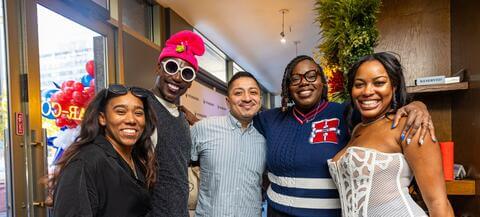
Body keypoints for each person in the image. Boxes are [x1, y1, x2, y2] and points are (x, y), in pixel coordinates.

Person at [253, 55, 436, 216]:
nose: (304, 82)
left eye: (311, 76)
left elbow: (384, 113)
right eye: (295, 79)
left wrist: (418, 105)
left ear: (322, 82)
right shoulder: (270, 118)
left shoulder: (348, 113)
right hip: (277, 212)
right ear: (287, 86)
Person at [328, 52, 453, 216]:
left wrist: (419, 105)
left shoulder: (410, 125)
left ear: (393, 87)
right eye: (359, 84)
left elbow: (438, 203)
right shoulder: (358, 128)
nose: (367, 91)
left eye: (379, 83)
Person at [50, 84, 156, 217]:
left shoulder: (138, 161)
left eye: (139, 113)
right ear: (102, 118)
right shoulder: (85, 162)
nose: (131, 120)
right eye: (120, 112)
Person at [190, 71, 266, 217]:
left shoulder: (266, 139)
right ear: (227, 101)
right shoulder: (203, 128)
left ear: (260, 100)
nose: (247, 98)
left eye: (253, 92)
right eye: (238, 93)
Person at [148, 30, 205, 217]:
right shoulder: (141, 106)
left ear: (190, 83)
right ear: (158, 68)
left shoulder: (181, 118)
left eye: (186, 73)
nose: (178, 78)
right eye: (172, 67)